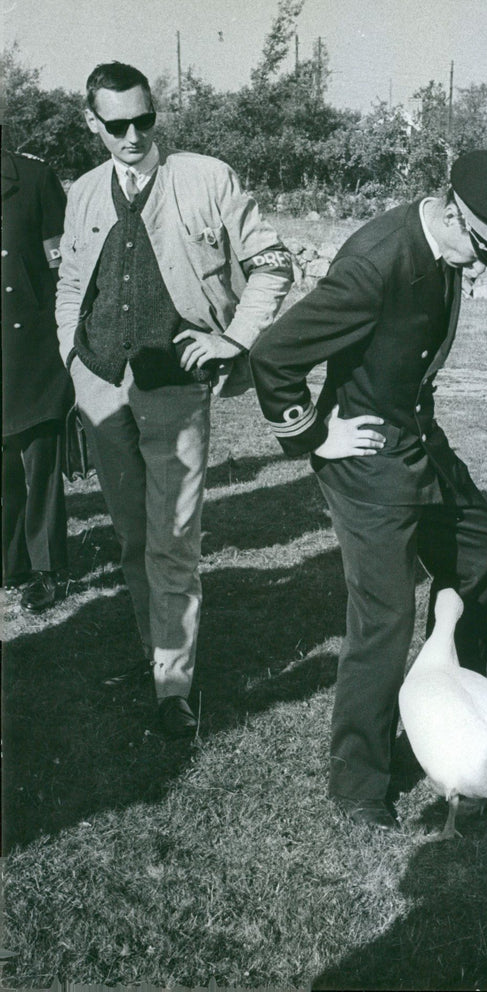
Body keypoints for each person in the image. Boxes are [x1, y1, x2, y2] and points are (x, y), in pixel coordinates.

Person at [250, 150, 487, 827]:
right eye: (481, 252)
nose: (479, 267)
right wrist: (309, 436)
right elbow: (272, 354)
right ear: (454, 213)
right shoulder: (376, 262)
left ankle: (455, 716)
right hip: (365, 459)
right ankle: (359, 783)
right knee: (384, 618)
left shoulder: (444, 245)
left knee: (482, 546)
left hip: (418, 436)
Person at [55, 62, 293, 738]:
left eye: (144, 120)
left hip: (177, 390)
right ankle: (156, 655)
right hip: (101, 383)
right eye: (116, 125)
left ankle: (173, 688)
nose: (133, 136)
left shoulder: (206, 178)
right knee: (133, 538)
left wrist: (236, 339)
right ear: (92, 123)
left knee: (174, 542)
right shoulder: (85, 191)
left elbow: (274, 264)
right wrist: (72, 360)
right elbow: (72, 282)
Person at [2, 149, 73, 611]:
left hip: (31, 346)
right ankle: (11, 565)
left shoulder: (33, 176)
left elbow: (64, 266)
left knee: (39, 459)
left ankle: (47, 570)